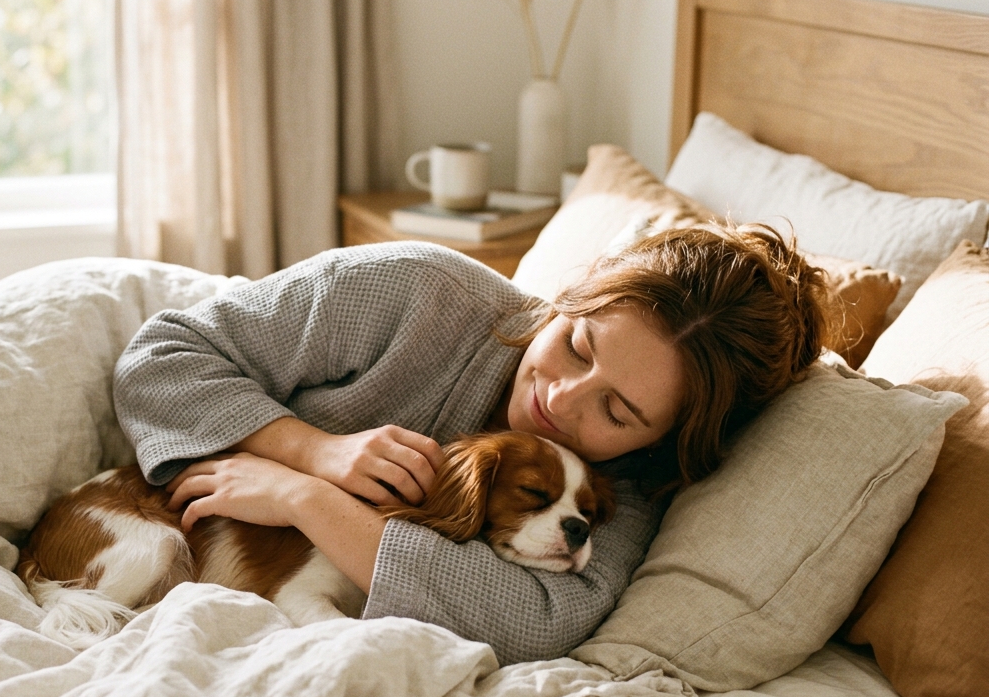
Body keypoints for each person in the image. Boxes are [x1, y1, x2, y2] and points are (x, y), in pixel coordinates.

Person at [112, 223, 830, 665]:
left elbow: (532, 620)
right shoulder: (417, 289)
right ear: (570, 299)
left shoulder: (623, 492)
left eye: (617, 409)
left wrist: (305, 499)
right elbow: (163, 356)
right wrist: (310, 450)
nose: (559, 398)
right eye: (577, 346)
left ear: (663, 439)